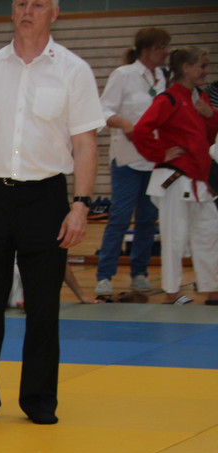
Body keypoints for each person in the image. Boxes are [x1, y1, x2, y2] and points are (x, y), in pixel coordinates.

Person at [0, 0, 104, 425]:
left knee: (43, 304)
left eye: (38, 3)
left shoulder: (74, 71)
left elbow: (85, 144)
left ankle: (39, 401)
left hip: (46, 198)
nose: (28, 10)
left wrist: (80, 204)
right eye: (21, 3)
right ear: (12, 11)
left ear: (54, 13)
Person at [131, 47, 218, 305]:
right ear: (186, 68)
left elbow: (209, 137)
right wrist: (160, 152)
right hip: (175, 177)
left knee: (209, 232)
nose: (206, 71)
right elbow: (141, 130)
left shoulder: (200, 97)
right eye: (202, 66)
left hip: (198, 177)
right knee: (174, 236)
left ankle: (213, 289)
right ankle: (172, 292)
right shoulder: (168, 99)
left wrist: (210, 115)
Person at [94, 27, 171, 298]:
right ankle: (104, 276)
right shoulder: (123, 75)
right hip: (127, 158)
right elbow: (103, 111)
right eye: (162, 47)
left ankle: (139, 273)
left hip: (156, 160)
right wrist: (125, 123)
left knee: (148, 218)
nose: (166, 52)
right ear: (147, 50)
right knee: (120, 216)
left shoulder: (165, 76)